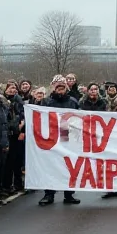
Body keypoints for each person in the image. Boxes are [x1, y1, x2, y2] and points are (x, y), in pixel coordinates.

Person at [39, 76, 81, 206]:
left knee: (69, 166)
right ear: (53, 87)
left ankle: (69, 194)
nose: (60, 89)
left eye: (63, 87)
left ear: (66, 88)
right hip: (52, 139)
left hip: (68, 139)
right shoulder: (46, 102)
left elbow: (79, 118)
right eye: (58, 86)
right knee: (50, 166)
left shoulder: (73, 101)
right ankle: (48, 194)